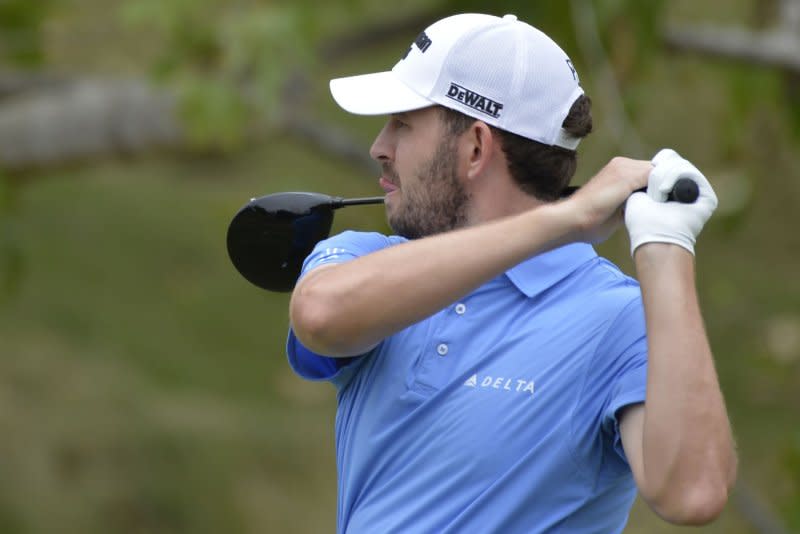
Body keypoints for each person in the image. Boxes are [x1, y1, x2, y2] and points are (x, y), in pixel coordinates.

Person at [286, 13, 737, 533]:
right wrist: (566, 220)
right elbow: (320, 316)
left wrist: (666, 247)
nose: (379, 147)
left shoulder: (618, 319)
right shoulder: (368, 259)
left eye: (403, 123)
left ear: (475, 147)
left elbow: (693, 493)